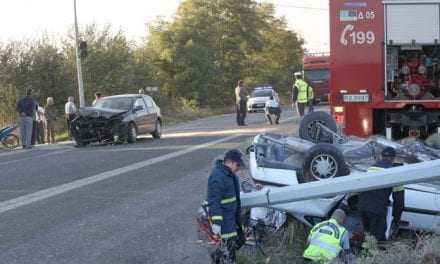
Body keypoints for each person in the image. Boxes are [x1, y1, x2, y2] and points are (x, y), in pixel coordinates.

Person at [207, 149, 246, 264]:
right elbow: (214, 201)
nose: (238, 169)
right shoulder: (217, 177)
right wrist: (217, 223)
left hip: (232, 220)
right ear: (231, 162)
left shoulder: (229, 175)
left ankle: (219, 258)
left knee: (234, 246)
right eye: (238, 165)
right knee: (228, 253)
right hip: (224, 224)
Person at [357, 147, 396, 241]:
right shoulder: (395, 172)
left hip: (363, 207)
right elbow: (399, 199)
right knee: (378, 238)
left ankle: (365, 253)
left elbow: (368, 190)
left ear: (381, 156)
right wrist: (396, 219)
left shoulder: (371, 168)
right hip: (377, 210)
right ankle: (375, 254)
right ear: (393, 158)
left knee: (368, 235)